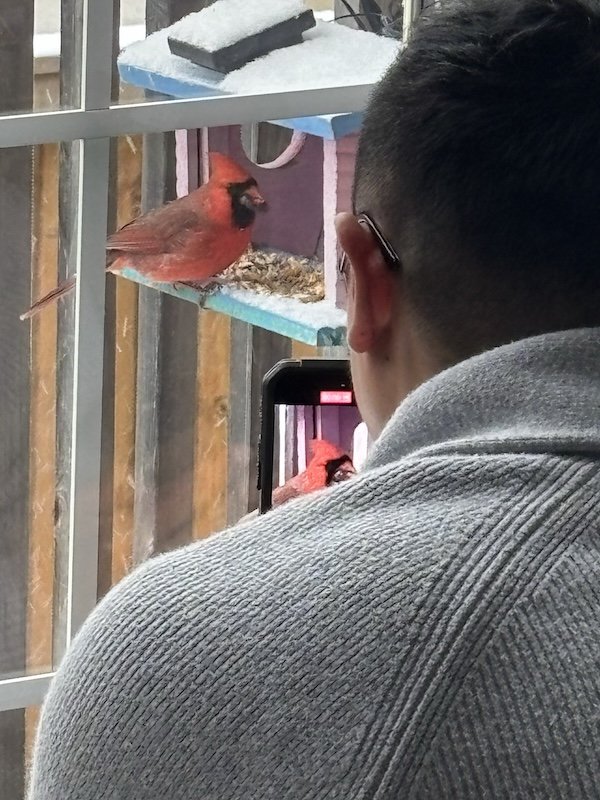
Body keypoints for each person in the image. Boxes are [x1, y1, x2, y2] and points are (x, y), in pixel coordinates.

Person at [29, 0, 600, 797]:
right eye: (243, 195)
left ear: (362, 279)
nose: (255, 203)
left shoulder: (157, 657)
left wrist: (268, 567)